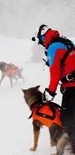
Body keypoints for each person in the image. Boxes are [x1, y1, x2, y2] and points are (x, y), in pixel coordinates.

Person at [32, 24, 75, 153]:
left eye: (41, 41)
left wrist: (50, 91)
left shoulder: (53, 47)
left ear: (43, 37)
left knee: (68, 118)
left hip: (72, 87)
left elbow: (55, 73)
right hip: (71, 84)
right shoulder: (66, 41)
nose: (42, 44)